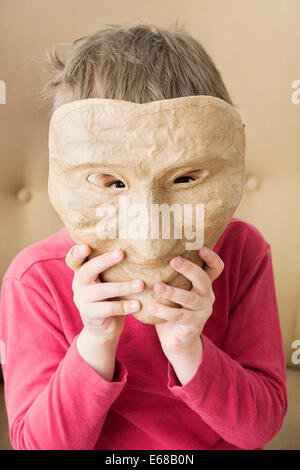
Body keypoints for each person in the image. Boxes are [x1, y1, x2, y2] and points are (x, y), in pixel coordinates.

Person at [0, 23, 287, 450]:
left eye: (186, 178)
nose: (150, 240)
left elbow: (258, 429)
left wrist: (190, 349)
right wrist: (95, 342)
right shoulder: (34, 280)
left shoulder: (243, 253)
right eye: (112, 182)